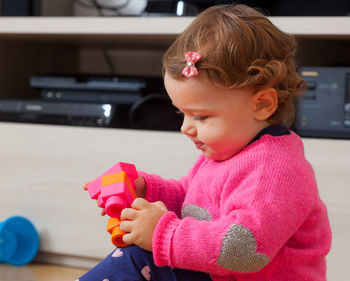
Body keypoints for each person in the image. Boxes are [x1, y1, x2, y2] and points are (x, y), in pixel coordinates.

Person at [78, 4, 332, 281]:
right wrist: (147, 190)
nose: (185, 128)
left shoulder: (277, 170)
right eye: (182, 113)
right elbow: (192, 202)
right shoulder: (225, 152)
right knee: (138, 253)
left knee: (142, 257)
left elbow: (245, 250)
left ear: (262, 105)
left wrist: (162, 233)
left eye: (200, 116)